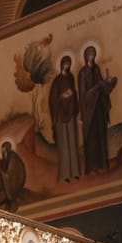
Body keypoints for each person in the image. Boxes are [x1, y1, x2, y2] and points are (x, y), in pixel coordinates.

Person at [77, 45, 117, 174]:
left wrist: (108, 82)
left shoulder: (96, 69)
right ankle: (92, 167)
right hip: (89, 111)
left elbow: (102, 86)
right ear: (85, 56)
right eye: (89, 55)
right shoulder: (82, 73)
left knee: (101, 134)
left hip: (98, 107)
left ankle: (103, 164)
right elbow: (83, 95)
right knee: (92, 138)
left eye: (93, 55)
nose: (91, 57)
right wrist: (97, 87)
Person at [49, 55, 80, 182]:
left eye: (68, 64)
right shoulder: (57, 80)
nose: (66, 66)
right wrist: (63, 96)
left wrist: (72, 95)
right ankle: (65, 174)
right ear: (61, 64)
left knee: (72, 143)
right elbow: (52, 98)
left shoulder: (71, 77)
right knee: (64, 145)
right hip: (61, 116)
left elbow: (74, 92)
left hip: (70, 114)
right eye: (65, 64)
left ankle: (75, 172)